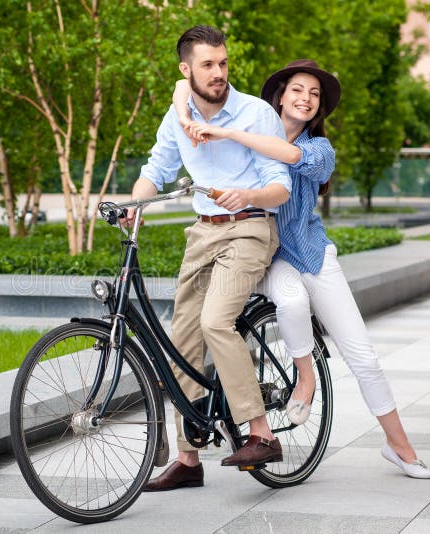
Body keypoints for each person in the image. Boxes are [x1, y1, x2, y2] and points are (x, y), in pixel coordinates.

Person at [176, 59, 430, 479]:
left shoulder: (318, 151)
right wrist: (187, 112)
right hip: (268, 256)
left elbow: (288, 153)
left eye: (314, 95)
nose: (306, 99)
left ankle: (399, 446)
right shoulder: (252, 127)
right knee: (291, 303)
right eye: (298, 89)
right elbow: (184, 82)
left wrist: (225, 131)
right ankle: (305, 377)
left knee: (363, 356)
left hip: (312, 254)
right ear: (280, 95)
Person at [127, 25, 293, 492]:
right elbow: (154, 172)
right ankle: (188, 458)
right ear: (187, 70)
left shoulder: (256, 113)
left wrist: (250, 194)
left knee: (216, 320)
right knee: (181, 339)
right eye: (207, 65)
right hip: (202, 233)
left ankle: (261, 434)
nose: (218, 72)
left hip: (250, 227)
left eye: (222, 63)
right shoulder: (175, 116)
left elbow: (280, 185)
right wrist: (132, 205)